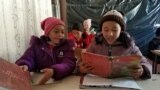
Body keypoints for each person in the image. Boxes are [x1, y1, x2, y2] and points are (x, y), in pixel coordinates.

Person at [79, 10, 152, 79]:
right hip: (98, 81)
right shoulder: (96, 43)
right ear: (101, 30)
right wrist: (81, 68)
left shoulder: (129, 45)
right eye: (106, 30)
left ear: (121, 30)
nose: (110, 34)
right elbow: (82, 61)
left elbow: (146, 63)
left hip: (122, 84)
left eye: (115, 30)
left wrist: (142, 70)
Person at [15, 17, 76, 85]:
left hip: (60, 83)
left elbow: (69, 64)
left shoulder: (66, 47)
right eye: (56, 31)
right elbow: (28, 58)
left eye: (62, 32)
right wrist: (24, 65)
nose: (60, 35)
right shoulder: (37, 46)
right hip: (38, 81)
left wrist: (54, 71)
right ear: (47, 33)